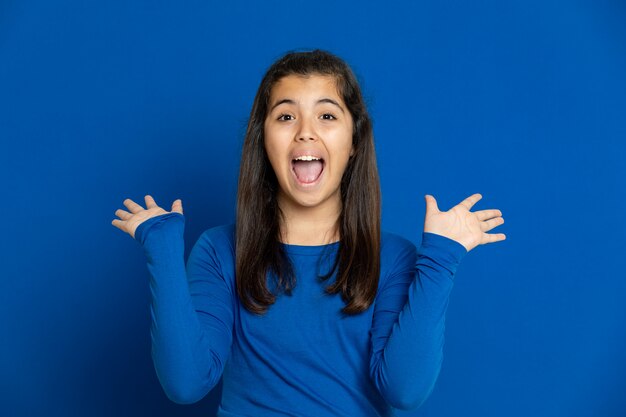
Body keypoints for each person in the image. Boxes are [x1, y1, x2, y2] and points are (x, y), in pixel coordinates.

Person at [111, 49, 506, 416]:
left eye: (327, 116)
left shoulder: (394, 258)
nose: (305, 132)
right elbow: (186, 384)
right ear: (263, 139)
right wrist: (161, 250)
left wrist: (440, 260)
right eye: (285, 116)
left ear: (353, 141)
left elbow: (405, 390)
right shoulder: (219, 251)